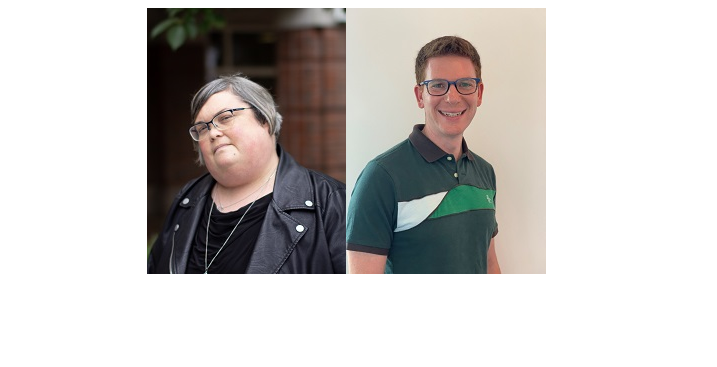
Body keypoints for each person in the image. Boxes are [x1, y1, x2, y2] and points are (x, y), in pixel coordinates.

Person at [148, 74, 346, 274]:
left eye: (225, 118)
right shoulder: (187, 200)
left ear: (264, 120)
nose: (213, 133)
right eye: (202, 128)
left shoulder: (330, 201)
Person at [346, 36, 501, 274]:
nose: (452, 97)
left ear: (478, 93)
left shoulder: (485, 172)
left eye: (465, 84)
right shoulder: (381, 177)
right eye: (438, 85)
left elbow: (489, 264)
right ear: (420, 96)